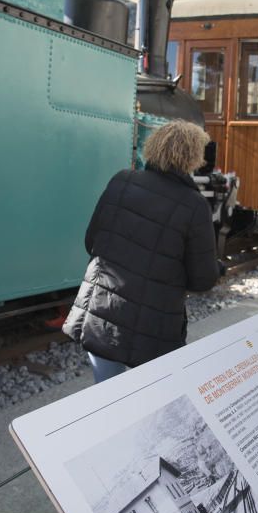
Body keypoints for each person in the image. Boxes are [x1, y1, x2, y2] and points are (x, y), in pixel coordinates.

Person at [63, 120, 222, 383]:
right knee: (149, 398)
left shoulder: (122, 181)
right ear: (194, 157)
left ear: (154, 146)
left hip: (103, 314)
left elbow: (92, 242)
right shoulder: (194, 205)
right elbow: (203, 280)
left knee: (107, 396)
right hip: (154, 328)